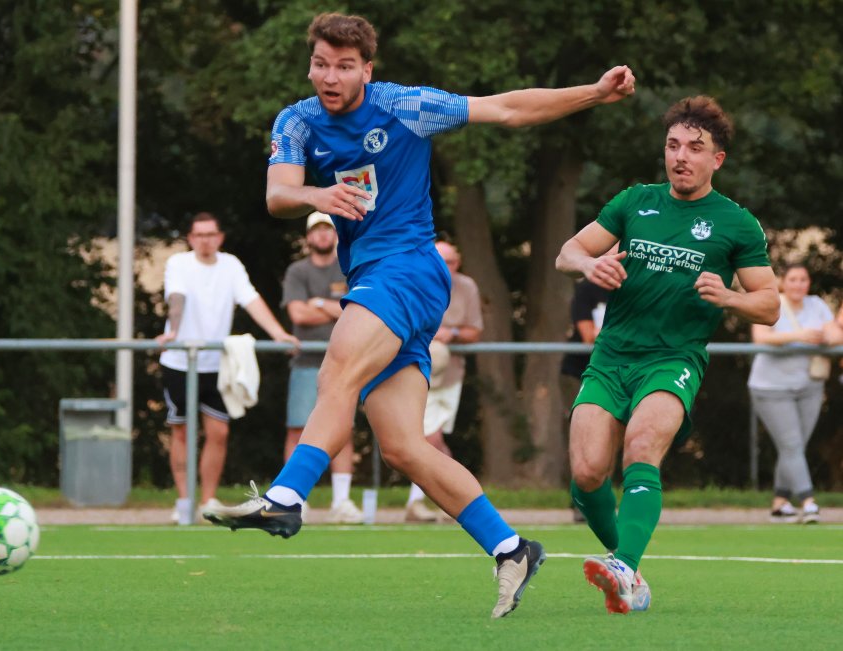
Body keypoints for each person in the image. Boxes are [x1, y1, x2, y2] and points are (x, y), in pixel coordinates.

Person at [202, 11, 636, 618]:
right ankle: (512, 548)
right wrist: (314, 196)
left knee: (338, 374)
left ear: (367, 70)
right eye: (321, 64)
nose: (330, 76)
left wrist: (593, 92)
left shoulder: (403, 106)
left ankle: (285, 497)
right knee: (404, 446)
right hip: (376, 281)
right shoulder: (296, 120)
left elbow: (506, 108)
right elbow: (278, 194)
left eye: (344, 66)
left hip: (407, 268)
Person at [555, 95, 780, 614]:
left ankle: (622, 565)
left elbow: (769, 307)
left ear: (716, 159)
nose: (681, 156)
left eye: (695, 148)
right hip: (611, 356)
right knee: (587, 474)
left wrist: (730, 297)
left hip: (673, 358)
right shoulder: (634, 202)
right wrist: (589, 268)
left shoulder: (736, 223)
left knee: (641, 447)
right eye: (673, 145)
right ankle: (628, 569)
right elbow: (567, 252)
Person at [156, 212, 299, 523]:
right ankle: (184, 502)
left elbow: (250, 299)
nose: (205, 240)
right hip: (180, 361)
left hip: (215, 363)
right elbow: (176, 298)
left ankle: (207, 498)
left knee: (218, 432)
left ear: (219, 237)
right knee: (180, 431)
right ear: (191, 238)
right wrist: (174, 333)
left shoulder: (231, 265)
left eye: (210, 234)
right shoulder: (178, 264)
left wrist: (278, 333)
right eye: (199, 235)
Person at [281, 212, 363, 524]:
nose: (322, 236)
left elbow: (358, 313)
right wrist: (336, 307)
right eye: (316, 230)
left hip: (346, 363)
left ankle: (341, 501)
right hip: (306, 363)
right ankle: (294, 498)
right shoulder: (296, 270)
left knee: (342, 429)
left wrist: (318, 304)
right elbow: (298, 315)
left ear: (335, 234)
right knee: (297, 429)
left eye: (327, 229)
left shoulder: (349, 265)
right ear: (307, 236)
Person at [748, 263, 843, 524]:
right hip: (771, 387)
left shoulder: (817, 305)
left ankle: (780, 503)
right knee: (791, 444)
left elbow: (836, 333)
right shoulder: (771, 303)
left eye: (803, 279)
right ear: (783, 282)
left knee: (794, 446)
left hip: (809, 385)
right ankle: (808, 502)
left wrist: (825, 336)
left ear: (808, 283)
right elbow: (761, 337)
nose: (798, 284)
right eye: (793, 279)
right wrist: (798, 335)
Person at [404, 240, 483, 523]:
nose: (444, 266)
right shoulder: (413, 280)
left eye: (449, 261)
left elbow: (474, 331)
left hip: (449, 374)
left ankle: (447, 500)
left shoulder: (467, 287)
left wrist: (453, 333)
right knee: (428, 438)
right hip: (414, 371)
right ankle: (457, 499)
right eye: (439, 260)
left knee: (431, 440)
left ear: (457, 263)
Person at [559, 277, 611, 523]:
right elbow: (588, 335)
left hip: (617, 370)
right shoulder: (588, 288)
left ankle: (604, 502)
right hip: (580, 372)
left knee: (612, 438)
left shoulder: (637, 284)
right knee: (583, 437)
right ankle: (580, 502)